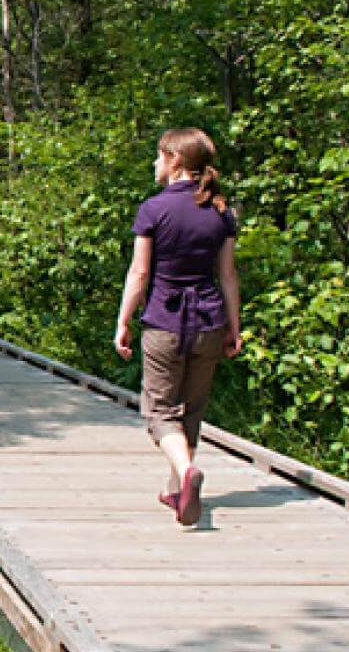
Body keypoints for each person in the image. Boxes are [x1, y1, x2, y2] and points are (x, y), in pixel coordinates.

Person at [114, 128, 243, 526]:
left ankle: (185, 473)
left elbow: (139, 273)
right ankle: (176, 491)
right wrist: (234, 328)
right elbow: (228, 276)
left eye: (158, 156)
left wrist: (123, 320)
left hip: (165, 322)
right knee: (192, 408)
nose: (154, 164)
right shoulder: (221, 212)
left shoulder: (154, 210)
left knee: (159, 412)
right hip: (208, 321)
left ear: (174, 160)